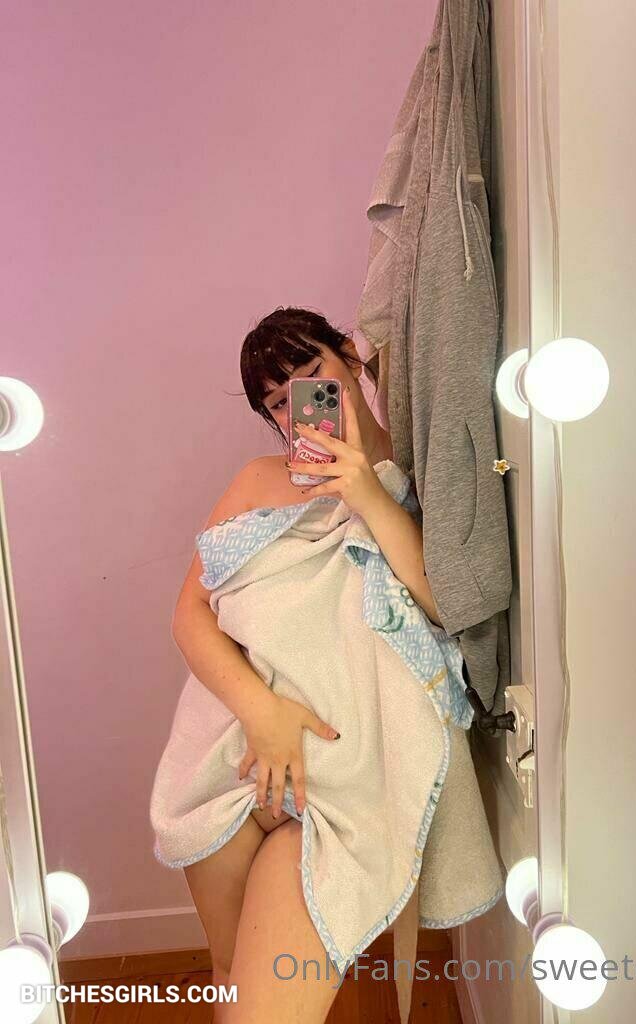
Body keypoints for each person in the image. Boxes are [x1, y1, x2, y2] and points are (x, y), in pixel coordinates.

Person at [171, 306, 446, 1024]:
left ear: (350, 357)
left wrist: (365, 493)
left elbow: (444, 603)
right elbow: (190, 614)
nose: (298, 405)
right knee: (230, 975)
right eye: (276, 401)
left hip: (332, 785)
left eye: (310, 373)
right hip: (230, 762)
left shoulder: (416, 471)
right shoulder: (258, 479)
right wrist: (261, 713)